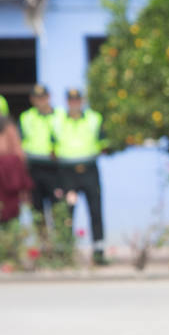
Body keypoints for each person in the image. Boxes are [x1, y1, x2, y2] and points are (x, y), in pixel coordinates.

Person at [55, 89, 108, 265]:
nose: (75, 104)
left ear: (82, 101)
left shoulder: (94, 118)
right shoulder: (58, 120)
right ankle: (65, 254)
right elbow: (51, 145)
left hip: (89, 169)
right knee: (67, 213)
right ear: (67, 102)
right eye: (71, 100)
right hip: (67, 171)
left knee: (95, 210)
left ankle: (99, 252)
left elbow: (104, 143)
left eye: (78, 100)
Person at [19, 84, 62, 232]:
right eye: (37, 98)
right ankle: (44, 247)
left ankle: (61, 247)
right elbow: (20, 143)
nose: (41, 101)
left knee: (58, 209)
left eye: (43, 97)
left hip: (55, 168)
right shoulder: (26, 117)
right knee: (37, 210)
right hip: (34, 168)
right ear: (32, 100)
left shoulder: (61, 115)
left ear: (49, 97)